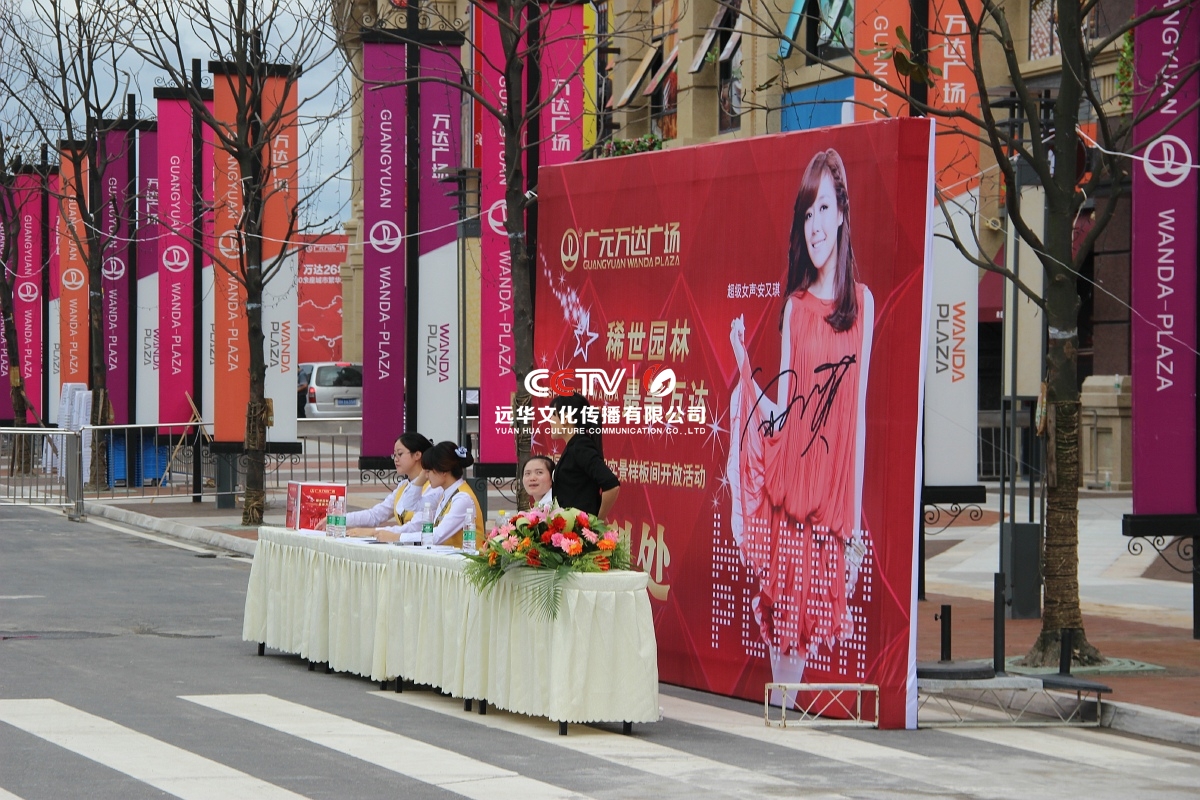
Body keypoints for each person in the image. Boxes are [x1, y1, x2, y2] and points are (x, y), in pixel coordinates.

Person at [728, 148, 874, 697]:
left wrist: (851, 520)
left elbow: (857, 417)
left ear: (842, 215)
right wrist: (745, 370)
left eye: (824, 209)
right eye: (807, 212)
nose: (814, 225)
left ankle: (789, 721)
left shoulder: (864, 305)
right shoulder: (794, 307)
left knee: (814, 623)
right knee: (786, 639)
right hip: (791, 494)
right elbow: (788, 409)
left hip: (831, 504)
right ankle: (779, 724)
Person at [385, 441, 483, 546]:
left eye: (428, 471)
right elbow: (410, 504)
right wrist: (420, 479)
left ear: (443, 471)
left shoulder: (462, 498)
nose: (426, 476)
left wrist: (397, 537)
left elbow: (437, 536)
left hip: (467, 555)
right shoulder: (445, 494)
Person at [346, 433, 436, 539]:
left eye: (400, 454)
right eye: (394, 455)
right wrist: (339, 519)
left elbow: (415, 528)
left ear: (417, 455)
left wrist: (372, 532)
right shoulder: (404, 486)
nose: (396, 459)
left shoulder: (432, 487)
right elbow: (376, 515)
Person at [548, 392, 619, 517]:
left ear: (565, 418)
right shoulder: (575, 445)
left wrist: (599, 520)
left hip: (581, 526)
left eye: (553, 414)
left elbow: (611, 485)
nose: (550, 420)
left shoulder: (580, 446)